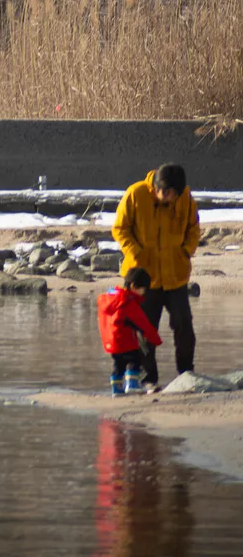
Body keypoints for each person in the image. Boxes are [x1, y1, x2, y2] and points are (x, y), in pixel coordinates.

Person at [112, 163, 200, 392]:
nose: (168, 198)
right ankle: (147, 379)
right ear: (157, 187)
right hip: (143, 277)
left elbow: (193, 228)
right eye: (165, 192)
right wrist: (136, 253)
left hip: (175, 275)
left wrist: (186, 251)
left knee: (184, 326)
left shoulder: (186, 198)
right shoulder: (136, 193)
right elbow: (120, 228)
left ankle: (186, 373)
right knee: (143, 330)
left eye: (173, 194)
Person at [97, 267, 163, 395]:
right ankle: (132, 385)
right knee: (135, 359)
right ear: (134, 286)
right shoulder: (127, 302)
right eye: (143, 289)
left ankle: (116, 390)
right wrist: (156, 339)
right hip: (125, 340)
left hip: (111, 342)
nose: (144, 293)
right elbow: (143, 324)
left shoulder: (109, 299)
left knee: (118, 364)